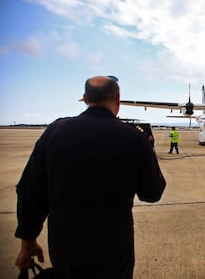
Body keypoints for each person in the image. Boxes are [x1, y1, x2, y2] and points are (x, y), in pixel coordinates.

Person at [15, 76, 166, 279]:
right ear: (118, 99)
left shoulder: (54, 132)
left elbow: (30, 191)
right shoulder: (134, 138)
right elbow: (152, 193)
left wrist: (28, 241)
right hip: (114, 252)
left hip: (65, 248)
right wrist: (147, 149)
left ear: (85, 98)